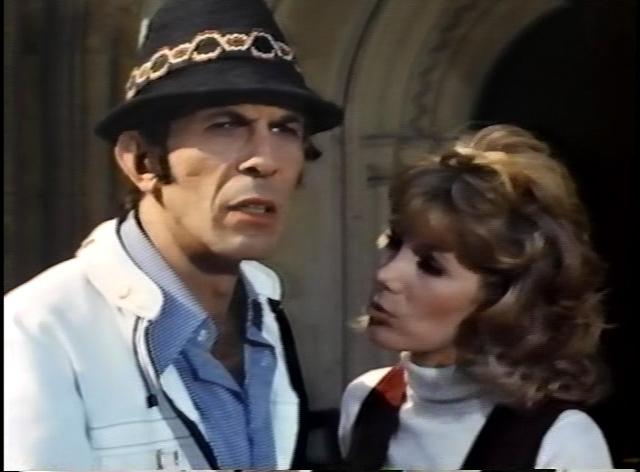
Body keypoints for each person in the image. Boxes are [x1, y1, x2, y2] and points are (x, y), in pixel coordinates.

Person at [4, 0, 343, 470]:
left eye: (285, 129)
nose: (265, 160)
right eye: (226, 125)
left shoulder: (265, 316)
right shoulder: (37, 333)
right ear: (141, 161)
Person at [339, 124, 613, 469]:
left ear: (502, 299)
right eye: (394, 243)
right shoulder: (366, 402)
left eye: (430, 266)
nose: (386, 275)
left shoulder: (560, 441)